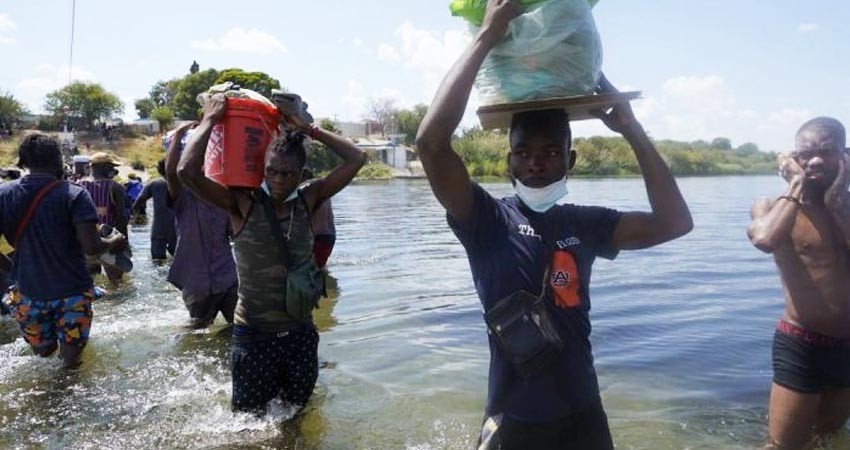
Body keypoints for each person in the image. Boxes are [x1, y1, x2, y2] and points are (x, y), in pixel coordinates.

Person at [415, 2, 693, 447]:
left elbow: (675, 223)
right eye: (523, 153)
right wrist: (489, 34)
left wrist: (632, 129)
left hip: (584, 416)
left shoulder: (587, 224)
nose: (536, 164)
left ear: (571, 160)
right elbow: (430, 144)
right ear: (508, 162)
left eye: (550, 153)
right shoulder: (485, 220)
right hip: (514, 421)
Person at [178, 93, 366, 415]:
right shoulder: (242, 204)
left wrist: (309, 129)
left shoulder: (309, 199)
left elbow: (357, 158)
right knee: (248, 425)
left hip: (300, 336)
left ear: (301, 174)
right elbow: (186, 172)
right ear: (262, 168)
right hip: (254, 337)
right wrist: (210, 120)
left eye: (288, 174)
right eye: (272, 171)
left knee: (297, 418)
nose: (279, 180)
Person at [747, 117, 850, 450]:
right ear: (793, 158)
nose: (816, 161)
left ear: (844, 156)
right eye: (806, 154)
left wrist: (836, 205)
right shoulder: (772, 207)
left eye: (827, 151)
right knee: (783, 446)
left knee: (826, 438)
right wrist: (796, 185)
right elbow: (764, 239)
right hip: (802, 344)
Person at [0, 133, 125, 367]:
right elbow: (91, 247)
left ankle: (45, 399)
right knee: (70, 363)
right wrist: (115, 242)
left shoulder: (4, 194)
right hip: (72, 292)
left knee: (43, 355)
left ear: (23, 161)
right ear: (58, 161)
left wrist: (14, 270)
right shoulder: (74, 194)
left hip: (28, 293)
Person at [164, 122, 238, 329]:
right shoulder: (184, 197)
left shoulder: (222, 195)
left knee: (241, 326)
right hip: (197, 281)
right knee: (198, 329)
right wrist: (178, 135)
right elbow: (172, 173)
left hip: (227, 275)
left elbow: (232, 232)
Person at [79, 152, 130, 282]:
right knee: (116, 282)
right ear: (105, 167)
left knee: (91, 281)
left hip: (85, 241)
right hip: (110, 241)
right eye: (111, 167)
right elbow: (121, 218)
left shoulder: (77, 185)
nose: (113, 170)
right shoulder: (115, 187)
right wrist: (124, 244)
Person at [132, 160, 176, 262]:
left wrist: (137, 216)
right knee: (178, 261)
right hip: (177, 229)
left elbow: (137, 203)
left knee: (157, 262)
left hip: (159, 228)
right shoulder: (182, 183)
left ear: (159, 170)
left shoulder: (154, 183)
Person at [301, 169, 336, 269]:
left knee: (310, 270)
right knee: (318, 268)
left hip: (316, 238)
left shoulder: (306, 191)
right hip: (330, 237)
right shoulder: (323, 191)